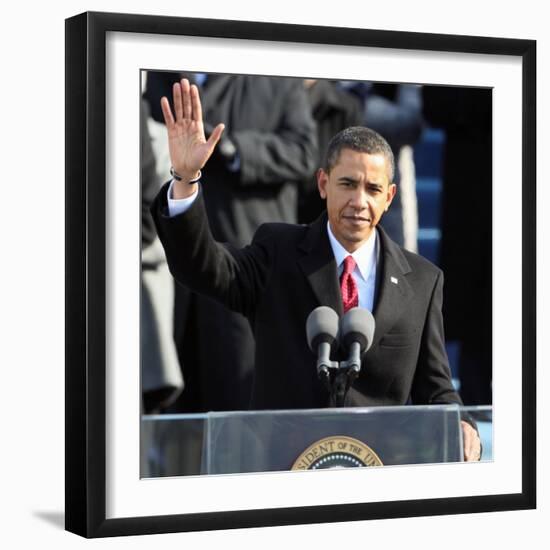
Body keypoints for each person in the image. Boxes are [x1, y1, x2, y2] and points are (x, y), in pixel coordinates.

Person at [151, 79, 481, 461]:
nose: (359, 201)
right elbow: (205, 268)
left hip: (378, 478)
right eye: (347, 184)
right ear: (323, 184)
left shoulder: (422, 281)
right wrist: (186, 180)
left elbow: (437, 388)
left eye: (373, 189)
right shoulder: (278, 251)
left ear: (389, 197)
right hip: (284, 472)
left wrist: (463, 422)